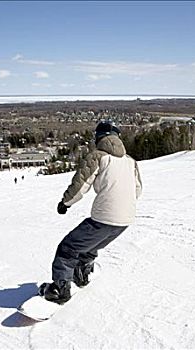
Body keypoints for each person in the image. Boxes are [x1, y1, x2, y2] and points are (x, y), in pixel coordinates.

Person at [41, 121, 143, 304]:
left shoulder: (98, 157)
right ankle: (81, 273)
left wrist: (65, 203)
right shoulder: (130, 161)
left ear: (99, 138)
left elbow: (81, 184)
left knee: (67, 248)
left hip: (104, 217)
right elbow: (137, 190)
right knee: (90, 245)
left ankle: (60, 289)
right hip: (126, 219)